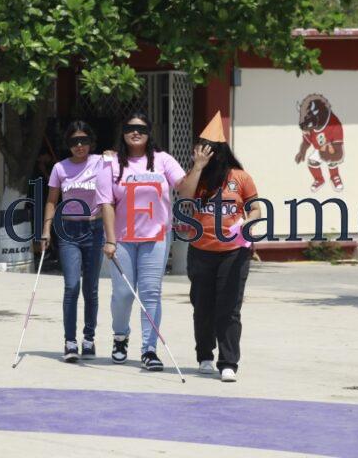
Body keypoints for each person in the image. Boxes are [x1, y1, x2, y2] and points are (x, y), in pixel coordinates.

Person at [96, 111, 187, 371]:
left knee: (151, 294)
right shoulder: (110, 163)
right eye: (130, 128)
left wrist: (200, 166)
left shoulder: (163, 160)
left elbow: (184, 185)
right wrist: (110, 240)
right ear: (122, 132)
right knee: (123, 294)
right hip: (122, 240)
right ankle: (120, 336)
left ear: (150, 133)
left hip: (156, 238)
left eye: (142, 129)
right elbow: (106, 202)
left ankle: (149, 349)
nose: (136, 132)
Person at [178, 111, 261, 382]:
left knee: (229, 307)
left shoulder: (240, 177)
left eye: (210, 149)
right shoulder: (197, 177)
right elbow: (184, 196)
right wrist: (198, 166)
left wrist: (248, 224)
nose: (205, 152)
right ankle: (204, 355)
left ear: (221, 151)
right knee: (202, 305)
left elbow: (256, 208)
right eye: (201, 148)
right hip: (201, 250)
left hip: (234, 252)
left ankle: (228, 363)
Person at [41, 121, 106, 362]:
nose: (79, 146)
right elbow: (51, 200)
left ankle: (89, 338)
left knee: (91, 287)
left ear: (91, 142)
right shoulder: (60, 168)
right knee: (71, 286)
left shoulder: (102, 162)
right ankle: (70, 341)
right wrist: (46, 229)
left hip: (95, 228)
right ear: (68, 145)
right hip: (68, 230)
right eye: (74, 142)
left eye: (84, 141)